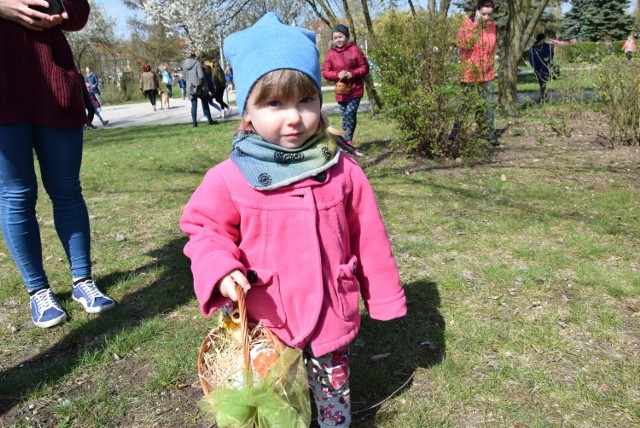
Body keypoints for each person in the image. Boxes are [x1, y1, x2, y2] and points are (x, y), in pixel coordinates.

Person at [179, 13, 407, 428]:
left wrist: (385, 297)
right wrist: (222, 268)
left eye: (306, 100)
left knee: (332, 387)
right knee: (274, 395)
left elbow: (368, 236)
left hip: (329, 309)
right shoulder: (231, 177)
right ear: (247, 110)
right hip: (269, 313)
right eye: (274, 104)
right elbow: (203, 228)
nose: (294, 117)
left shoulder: (341, 169)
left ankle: (334, 422)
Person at [0, 0, 116, 328]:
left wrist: (61, 8)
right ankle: (38, 290)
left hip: (54, 83)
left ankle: (83, 281)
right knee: (16, 195)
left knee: (67, 189)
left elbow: (78, 17)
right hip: (3, 87)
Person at [449, 0, 500, 146]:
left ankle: (489, 132)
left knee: (489, 104)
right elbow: (463, 44)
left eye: (489, 14)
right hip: (469, 72)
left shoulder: (492, 27)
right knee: (466, 104)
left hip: (487, 73)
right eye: (483, 14)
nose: (486, 17)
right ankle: (455, 131)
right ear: (477, 11)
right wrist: (476, 25)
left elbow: (491, 48)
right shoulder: (467, 24)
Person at [322, 23, 369, 156]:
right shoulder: (330, 54)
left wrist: (351, 74)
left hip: (355, 89)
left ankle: (348, 140)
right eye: (335, 37)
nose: (338, 40)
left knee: (350, 113)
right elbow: (325, 72)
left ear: (346, 37)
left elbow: (365, 67)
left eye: (340, 37)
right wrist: (337, 75)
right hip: (341, 91)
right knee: (345, 116)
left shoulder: (355, 50)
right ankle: (346, 142)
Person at [182, 53, 216, 127]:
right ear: (193, 57)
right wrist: (201, 84)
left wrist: (189, 82)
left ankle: (194, 123)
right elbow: (201, 75)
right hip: (199, 86)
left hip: (190, 87)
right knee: (205, 102)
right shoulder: (197, 63)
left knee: (193, 105)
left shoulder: (184, 65)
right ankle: (210, 120)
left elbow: (184, 78)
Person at [529, 33, 554, 103]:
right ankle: (544, 95)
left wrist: (549, 60)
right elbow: (530, 59)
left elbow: (551, 55)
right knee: (541, 83)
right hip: (537, 68)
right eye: (543, 40)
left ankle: (542, 98)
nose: (544, 41)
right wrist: (534, 67)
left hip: (545, 68)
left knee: (544, 82)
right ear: (540, 40)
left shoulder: (548, 46)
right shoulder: (533, 48)